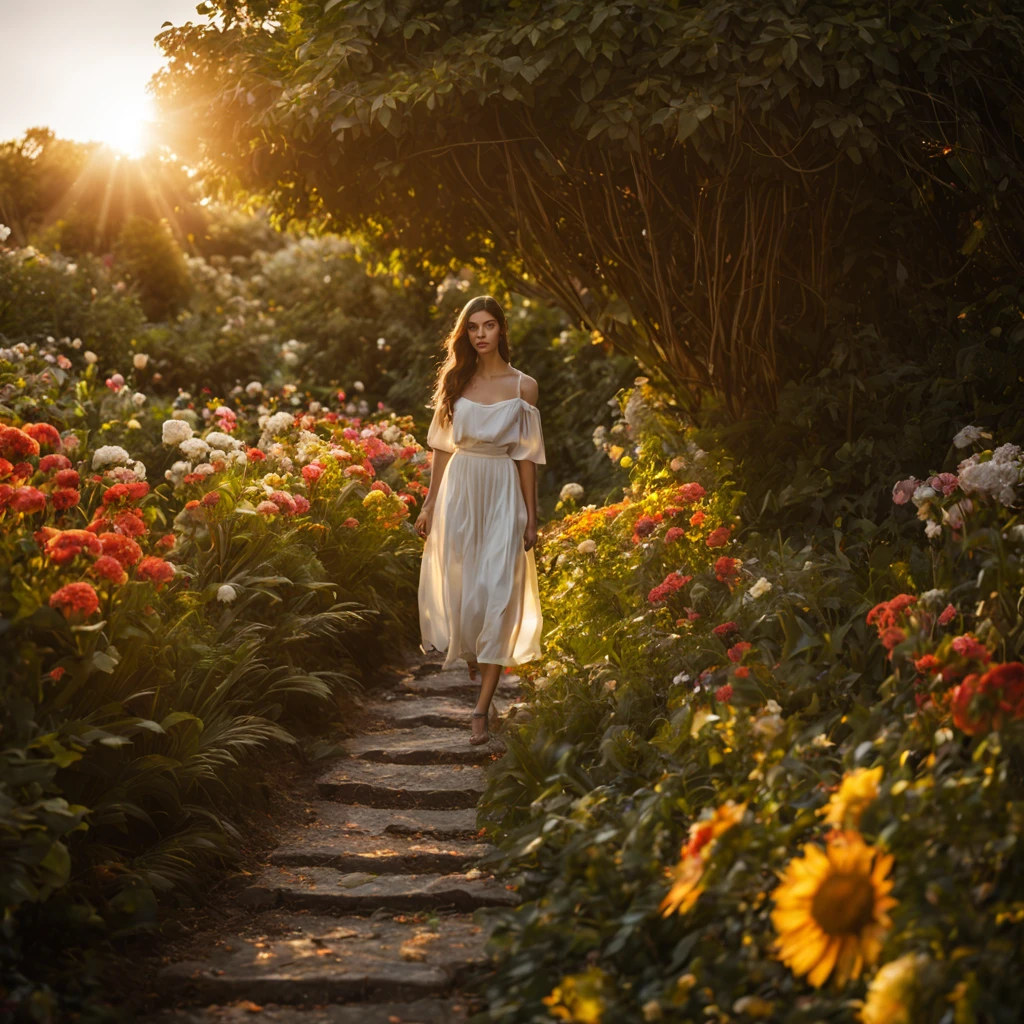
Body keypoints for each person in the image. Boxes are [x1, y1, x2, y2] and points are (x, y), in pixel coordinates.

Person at [414, 295, 546, 745]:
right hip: (462, 491)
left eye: (489, 325)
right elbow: (442, 448)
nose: (481, 334)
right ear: (465, 334)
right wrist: (430, 504)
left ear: (502, 330)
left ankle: (481, 708)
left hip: (504, 490)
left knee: (499, 592)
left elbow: (527, 457)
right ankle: (473, 651)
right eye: (473, 328)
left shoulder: (522, 387)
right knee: (466, 592)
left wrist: (531, 515)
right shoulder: (458, 380)